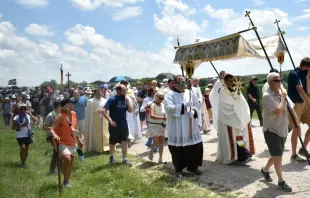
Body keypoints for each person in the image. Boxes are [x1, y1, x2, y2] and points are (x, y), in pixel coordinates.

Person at [261, 72, 300, 192]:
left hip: (282, 129)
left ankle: (265, 169)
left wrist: (297, 126)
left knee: (276, 154)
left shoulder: (283, 93)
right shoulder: (267, 96)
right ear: (270, 82)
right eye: (277, 80)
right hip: (271, 130)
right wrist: (283, 97)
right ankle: (281, 181)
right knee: (278, 155)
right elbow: (278, 110)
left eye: (280, 80)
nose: (279, 83)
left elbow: (291, 110)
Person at [165, 75, 203, 179]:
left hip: (191, 124)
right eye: (180, 83)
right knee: (178, 149)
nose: (182, 86)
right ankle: (179, 169)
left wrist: (194, 111)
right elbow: (169, 109)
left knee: (194, 146)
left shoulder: (190, 93)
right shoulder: (169, 95)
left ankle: (193, 167)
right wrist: (183, 106)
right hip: (177, 127)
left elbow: (197, 104)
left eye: (184, 83)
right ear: (175, 84)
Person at [215, 74, 255, 165]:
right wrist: (235, 97)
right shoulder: (222, 91)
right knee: (232, 138)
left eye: (232, 81)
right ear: (225, 82)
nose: (231, 82)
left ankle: (244, 155)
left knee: (238, 137)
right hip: (227, 119)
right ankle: (242, 155)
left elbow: (241, 102)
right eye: (229, 81)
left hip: (236, 117)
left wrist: (237, 94)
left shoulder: (236, 90)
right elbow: (228, 103)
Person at [50, 99, 84, 188]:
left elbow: (75, 129)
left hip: (72, 141)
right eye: (72, 103)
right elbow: (52, 128)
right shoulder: (60, 116)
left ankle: (66, 180)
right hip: (61, 141)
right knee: (67, 158)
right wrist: (54, 136)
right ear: (66, 105)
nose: (74, 105)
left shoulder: (74, 114)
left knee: (70, 163)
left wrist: (79, 140)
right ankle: (64, 179)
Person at [103, 84, 133, 167]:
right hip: (114, 125)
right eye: (124, 90)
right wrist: (110, 121)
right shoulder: (112, 99)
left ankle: (125, 159)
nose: (125, 92)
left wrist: (127, 102)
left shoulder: (125, 99)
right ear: (119, 91)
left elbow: (130, 111)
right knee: (113, 142)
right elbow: (104, 111)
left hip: (124, 124)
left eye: (126, 90)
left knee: (124, 140)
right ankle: (111, 156)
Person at [287, 57, 310, 161]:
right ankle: (294, 154)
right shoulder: (294, 74)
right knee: (296, 129)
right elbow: (300, 91)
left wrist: (308, 77)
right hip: (295, 104)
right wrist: (309, 103)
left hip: (303, 103)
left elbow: (307, 91)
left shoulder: (305, 74)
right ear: (305, 66)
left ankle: (303, 148)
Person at [12, 103, 37, 168]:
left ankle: (24, 162)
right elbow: (12, 127)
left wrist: (30, 114)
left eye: (24, 109)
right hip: (20, 135)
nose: (23, 110)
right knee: (23, 147)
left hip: (27, 134)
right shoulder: (16, 117)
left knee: (26, 149)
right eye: (21, 109)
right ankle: (22, 163)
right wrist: (20, 126)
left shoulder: (28, 116)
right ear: (19, 110)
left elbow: (36, 120)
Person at [84, 88, 110, 153]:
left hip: (103, 120)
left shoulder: (105, 101)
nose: (99, 93)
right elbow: (88, 113)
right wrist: (97, 111)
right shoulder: (90, 101)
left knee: (104, 134)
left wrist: (103, 111)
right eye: (98, 92)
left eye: (100, 92)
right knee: (95, 134)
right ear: (95, 93)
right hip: (94, 121)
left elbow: (108, 110)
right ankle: (95, 148)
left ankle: (105, 147)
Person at [43, 101, 62, 174]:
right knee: (57, 150)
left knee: (57, 151)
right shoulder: (51, 115)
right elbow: (44, 127)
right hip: (51, 136)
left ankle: (55, 168)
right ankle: (54, 169)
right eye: (61, 106)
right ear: (58, 107)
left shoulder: (60, 114)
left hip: (59, 135)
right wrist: (53, 128)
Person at [148, 92, 166, 164]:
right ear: (156, 97)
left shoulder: (162, 105)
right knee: (156, 142)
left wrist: (164, 119)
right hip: (154, 125)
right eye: (160, 98)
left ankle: (160, 159)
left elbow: (164, 114)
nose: (162, 100)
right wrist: (162, 117)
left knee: (162, 141)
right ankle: (151, 150)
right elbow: (151, 115)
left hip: (161, 125)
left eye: (163, 98)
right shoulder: (152, 105)